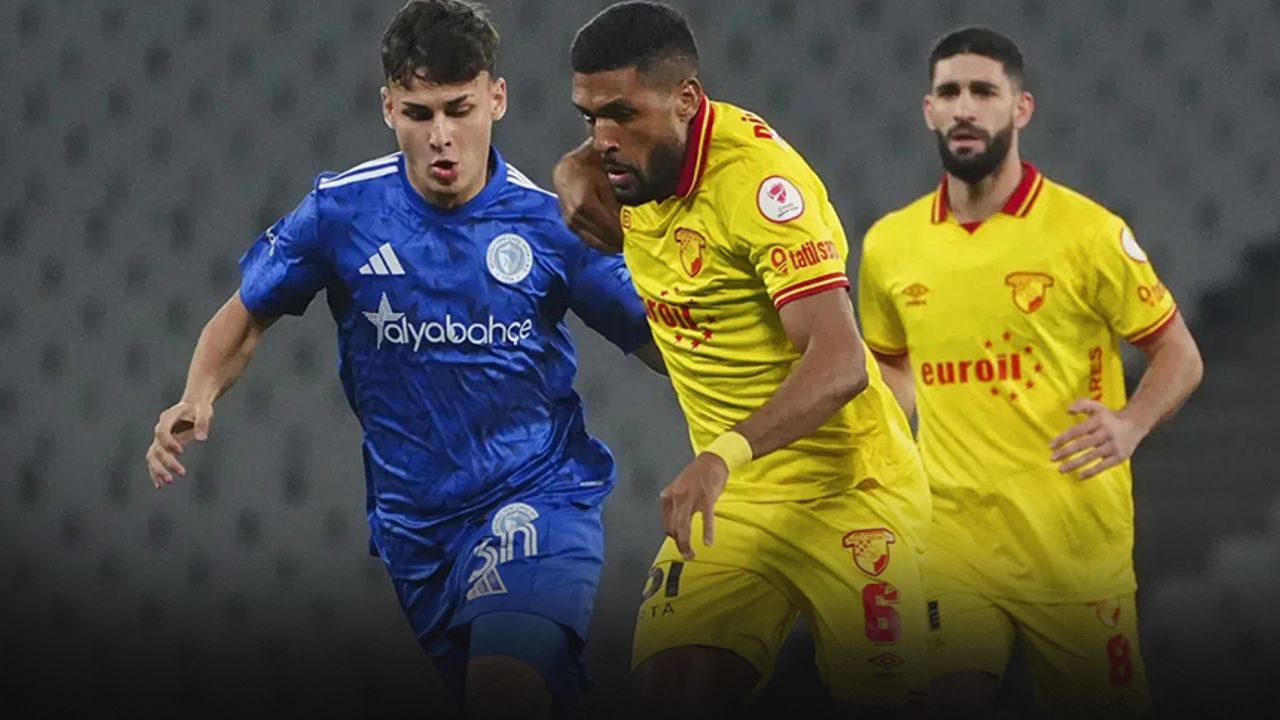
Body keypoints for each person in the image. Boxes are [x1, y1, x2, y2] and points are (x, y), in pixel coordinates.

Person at [143, 1, 661, 717]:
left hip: (536, 496)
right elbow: (247, 313)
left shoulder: (552, 226)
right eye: (420, 114)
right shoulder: (341, 211)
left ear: (497, 99)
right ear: (389, 108)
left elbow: (659, 342)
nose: (442, 136)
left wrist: (754, 395)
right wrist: (198, 394)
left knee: (501, 688)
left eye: (460, 109)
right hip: (417, 530)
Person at [554, 3, 931, 716]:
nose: (603, 141)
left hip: (850, 494)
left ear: (687, 100)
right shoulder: (626, 170)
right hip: (736, 508)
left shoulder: (758, 188)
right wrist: (570, 164)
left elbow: (841, 361)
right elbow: (603, 144)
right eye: (589, 118)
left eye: (622, 115)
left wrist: (721, 455)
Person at [857, 27, 1204, 719]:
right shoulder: (890, 246)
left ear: (1021, 108)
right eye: (949, 92)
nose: (964, 108)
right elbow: (895, 370)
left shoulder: (1088, 233)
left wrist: (1132, 423)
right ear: (928, 110)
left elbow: (1179, 354)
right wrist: (869, 442)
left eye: (984, 92)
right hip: (952, 540)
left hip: (1073, 547)